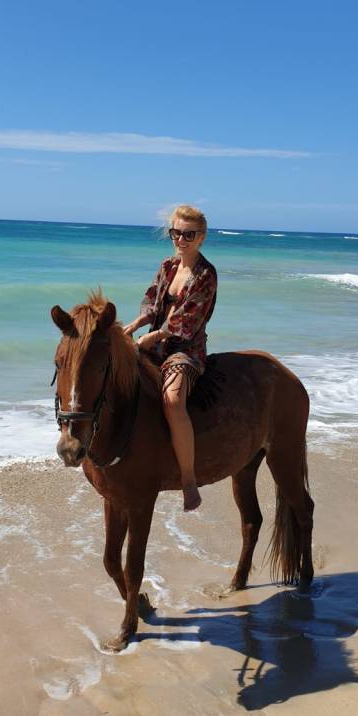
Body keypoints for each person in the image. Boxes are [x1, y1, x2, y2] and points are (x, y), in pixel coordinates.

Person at [123, 205, 217, 511]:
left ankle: (188, 479)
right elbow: (152, 302)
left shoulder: (206, 274)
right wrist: (133, 326)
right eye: (176, 233)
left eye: (189, 234)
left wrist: (152, 337)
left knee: (173, 400)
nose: (181, 239)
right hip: (156, 343)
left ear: (201, 237)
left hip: (185, 349)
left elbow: (187, 319)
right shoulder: (168, 266)